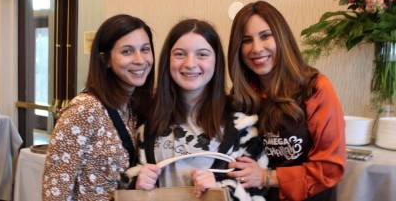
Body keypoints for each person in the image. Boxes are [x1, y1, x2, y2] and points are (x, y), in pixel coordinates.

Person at [131, 19, 268, 200]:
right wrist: (137, 182)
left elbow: (258, 192)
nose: (190, 64)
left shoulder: (242, 125)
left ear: (216, 61)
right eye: (180, 54)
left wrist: (219, 190)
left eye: (202, 54)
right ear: (167, 60)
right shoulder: (147, 124)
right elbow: (126, 183)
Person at [226, 1, 346, 201]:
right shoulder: (242, 95)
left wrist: (267, 177)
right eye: (246, 40)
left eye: (265, 36)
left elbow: (329, 167)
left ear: (282, 37)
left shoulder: (316, 88)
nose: (256, 48)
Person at [42, 14, 155, 201]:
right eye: (127, 51)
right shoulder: (84, 109)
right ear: (106, 60)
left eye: (145, 49)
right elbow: (55, 190)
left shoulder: (136, 106)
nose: (140, 60)